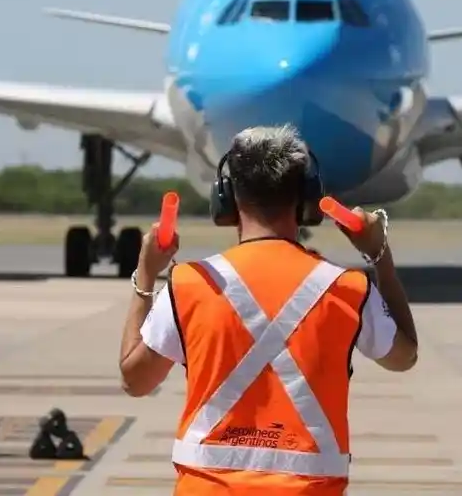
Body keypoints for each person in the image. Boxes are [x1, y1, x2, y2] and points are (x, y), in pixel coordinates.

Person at [118, 124, 419, 494]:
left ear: (225, 199)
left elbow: (135, 380)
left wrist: (146, 275)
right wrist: (379, 255)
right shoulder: (347, 288)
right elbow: (404, 356)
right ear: (308, 199)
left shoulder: (189, 284)